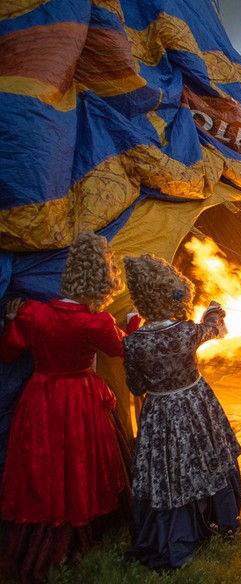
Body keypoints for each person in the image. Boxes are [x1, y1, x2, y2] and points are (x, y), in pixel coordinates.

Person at [0, 231, 131, 582]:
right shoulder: (97, 323)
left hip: (41, 397)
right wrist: (133, 322)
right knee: (79, 462)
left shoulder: (32, 314)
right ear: (104, 282)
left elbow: (8, 352)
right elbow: (123, 348)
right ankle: (79, 525)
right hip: (82, 399)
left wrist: (12, 321)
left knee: (45, 464)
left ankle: (44, 527)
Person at [122, 254, 241, 570]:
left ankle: (173, 534)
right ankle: (218, 519)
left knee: (168, 469)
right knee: (205, 458)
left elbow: (135, 387)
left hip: (158, 412)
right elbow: (213, 329)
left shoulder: (134, 343)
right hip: (196, 404)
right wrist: (215, 310)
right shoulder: (187, 331)